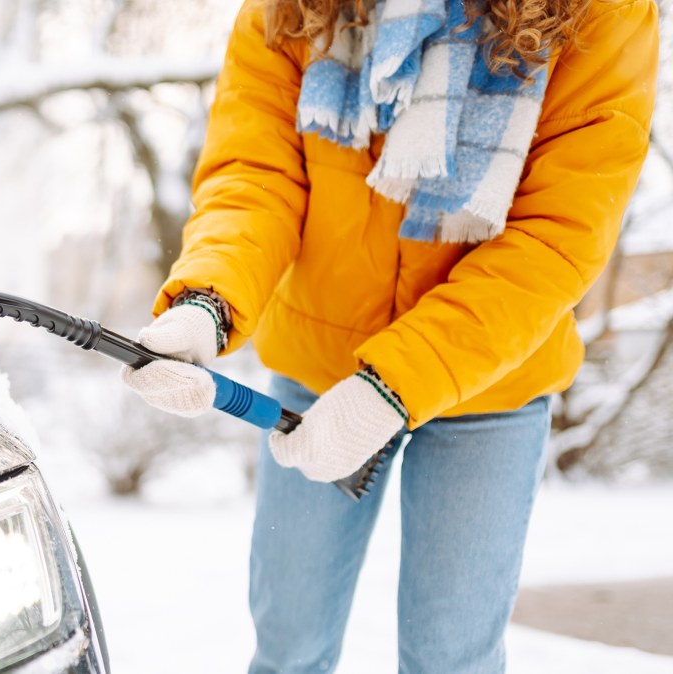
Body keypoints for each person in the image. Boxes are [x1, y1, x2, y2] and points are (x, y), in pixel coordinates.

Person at [121, 0, 657, 670]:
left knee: (450, 656)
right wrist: (207, 301)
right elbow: (255, 178)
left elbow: (556, 235)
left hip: (491, 386)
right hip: (316, 376)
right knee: (289, 643)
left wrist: (392, 387)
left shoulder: (600, 15)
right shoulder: (291, 10)